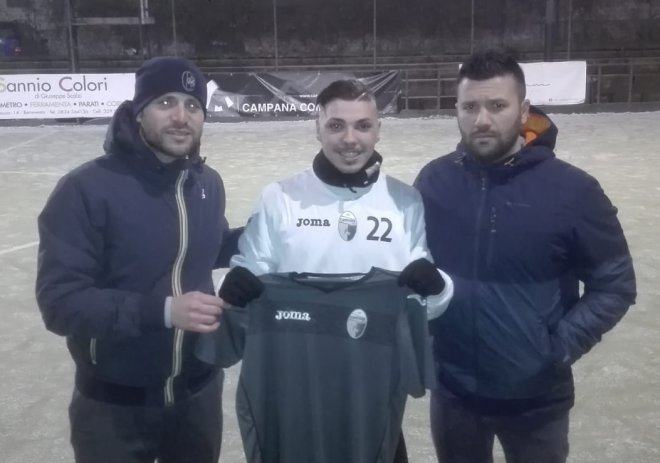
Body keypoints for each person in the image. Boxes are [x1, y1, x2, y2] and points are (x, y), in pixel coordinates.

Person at [414, 49, 637, 463]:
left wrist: (557, 347)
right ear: (457, 110)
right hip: (454, 395)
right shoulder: (433, 181)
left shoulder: (573, 191)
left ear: (523, 110)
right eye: (470, 106)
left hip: (536, 402)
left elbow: (616, 285)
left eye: (497, 106)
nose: (482, 119)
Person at [219, 79, 454, 463]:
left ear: (379, 129)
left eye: (362, 126)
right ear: (317, 127)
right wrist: (235, 288)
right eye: (336, 125)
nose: (350, 139)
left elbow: (422, 305)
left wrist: (438, 288)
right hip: (298, 391)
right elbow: (249, 284)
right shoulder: (279, 198)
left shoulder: (405, 202)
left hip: (371, 396)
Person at [36, 56, 241, 463]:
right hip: (114, 409)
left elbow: (204, 247)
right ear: (138, 112)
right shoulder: (87, 188)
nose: (181, 117)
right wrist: (163, 311)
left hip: (197, 398)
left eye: (193, 105)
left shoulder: (206, 183)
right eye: (166, 103)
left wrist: (262, 236)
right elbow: (60, 302)